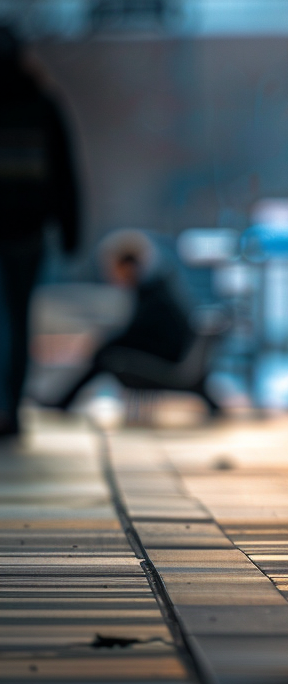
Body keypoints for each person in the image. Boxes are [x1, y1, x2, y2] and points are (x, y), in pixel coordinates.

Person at [0, 27, 79, 437]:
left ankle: (6, 405)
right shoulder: (42, 103)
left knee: (7, 319)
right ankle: (9, 406)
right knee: (16, 318)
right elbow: (65, 174)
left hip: (23, 231)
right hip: (29, 231)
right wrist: (69, 230)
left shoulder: (43, 104)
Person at [52, 230, 202, 411]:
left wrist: (103, 344)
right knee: (106, 353)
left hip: (167, 361)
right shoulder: (156, 289)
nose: (111, 274)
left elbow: (138, 334)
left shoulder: (153, 294)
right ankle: (62, 401)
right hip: (169, 356)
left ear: (129, 266)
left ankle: (62, 402)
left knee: (106, 356)